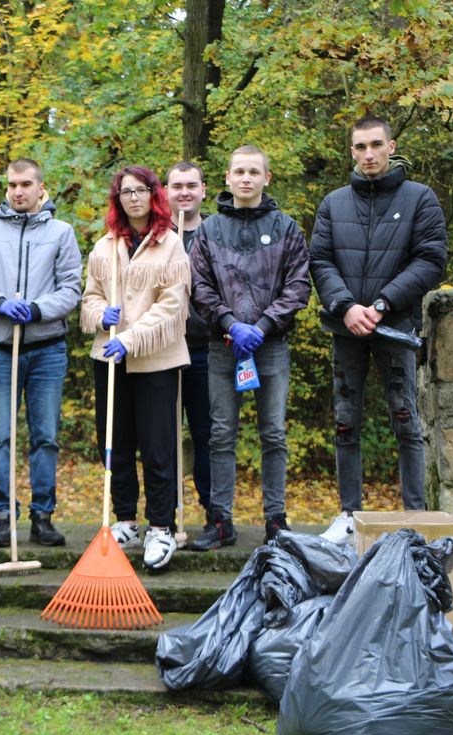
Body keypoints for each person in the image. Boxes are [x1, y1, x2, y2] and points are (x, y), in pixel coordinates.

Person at [310, 116, 447, 545]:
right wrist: (347, 307)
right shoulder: (334, 203)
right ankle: (349, 513)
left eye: (375, 145)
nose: (368, 154)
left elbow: (430, 260)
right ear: (351, 151)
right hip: (346, 327)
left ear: (391, 146)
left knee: (406, 419)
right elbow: (320, 260)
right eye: (359, 147)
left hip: (397, 329)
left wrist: (383, 304)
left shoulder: (420, 198)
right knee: (346, 424)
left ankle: (415, 516)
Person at [189, 146, 312, 549]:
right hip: (224, 345)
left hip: (270, 345)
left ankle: (276, 520)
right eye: (239, 171)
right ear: (227, 178)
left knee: (273, 433)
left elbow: (298, 285)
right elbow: (199, 286)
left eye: (253, 172)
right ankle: (220, 520)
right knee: (221, 434)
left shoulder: (286, 228)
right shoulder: (209, 231)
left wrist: (262, 325)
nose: (246, 178)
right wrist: (229, 323)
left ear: (266, 178)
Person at [0, 158, 83, 548]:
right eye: (12, 184)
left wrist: (37, 309)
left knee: (45, 436)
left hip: (47, 349)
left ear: (40, 187)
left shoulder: (61, 232)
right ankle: (2, 514)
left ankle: (43, 516)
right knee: (0, 435)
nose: (18, 191)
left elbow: (71, 288)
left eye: (26, 184)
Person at [81, 166, 190, 570]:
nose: (133, 198)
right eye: (125, 192)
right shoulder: (104, 246)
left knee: (159, 445)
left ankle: (161, 525)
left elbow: (172, 305)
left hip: (155, 359)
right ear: (118, 199)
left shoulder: (171, 245)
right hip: (109, 358)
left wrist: (132, 336)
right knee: (115, 441)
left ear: (153, 194)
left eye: (140, 190)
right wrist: (99, 313)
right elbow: (89, 297)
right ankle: (125, 517)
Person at [166, 161, 213, 533]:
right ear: (166, 191)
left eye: (191, 185)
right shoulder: (155, 236)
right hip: (162, 348)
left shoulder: (216, 233)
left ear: (203, 190)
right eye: (177, 185)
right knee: (162, 433)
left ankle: (213, 511)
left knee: (206, 433)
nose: (184, 192)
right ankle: (164, 516)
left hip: (205, 347)